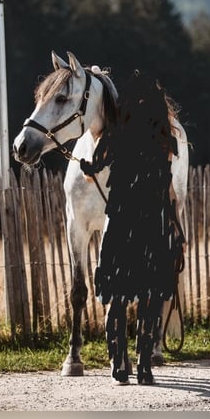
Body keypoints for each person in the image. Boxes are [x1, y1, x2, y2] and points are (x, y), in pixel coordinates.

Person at [80, 70, 185, 385]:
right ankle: (144, 364)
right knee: (151, 294)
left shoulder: (116, 132)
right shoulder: (165, 135)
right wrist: (175, 226)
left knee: (119, 294)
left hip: (123, 220)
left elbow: (92, 171)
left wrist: (88, 165)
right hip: (153, 222)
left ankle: (118, 361)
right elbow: (169, 188)